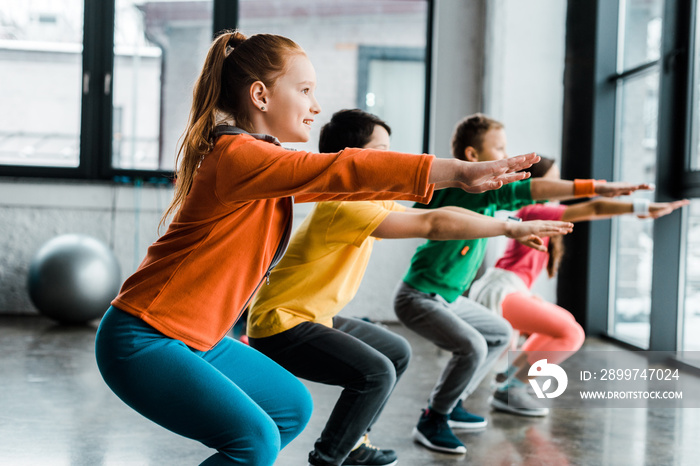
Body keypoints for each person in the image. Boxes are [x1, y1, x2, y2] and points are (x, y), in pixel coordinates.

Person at [93, 32, 543, 466]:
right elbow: (344, 170)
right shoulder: (238, 157)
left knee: (290, 408)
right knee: (254, 441)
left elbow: (341, 178)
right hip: (145, 335)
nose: (316, 105)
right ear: (260, 96)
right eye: (305, 89)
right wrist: (458, 174)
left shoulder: (262, 164)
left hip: (198, 339)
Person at [246, 109, 574, 466]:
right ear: (353, 158)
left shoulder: (368, 198)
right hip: (280, 324)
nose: (392, 159)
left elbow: (434, 213)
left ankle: (355, 443)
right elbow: (432, 223)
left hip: (314, 317)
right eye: (383, 150)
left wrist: (509, 222)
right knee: (375, 372)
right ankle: (329, 458)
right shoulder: (342, 204)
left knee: (397, 351)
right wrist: (510, 229)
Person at [392, 113, 652, 455]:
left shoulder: (483, 194)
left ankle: (452, 403)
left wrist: (601, 190)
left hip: (449, 296)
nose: (505, 154)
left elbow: (537, 190)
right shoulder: (469, 190)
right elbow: (535, 189)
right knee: (473, 346)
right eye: (499, 148)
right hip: (420, 295)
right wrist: (598, 187)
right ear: (472, 156)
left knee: (498, 334)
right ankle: (433, 418)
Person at [468, 156, 690, 416]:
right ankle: (512, 388)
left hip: (504, 286)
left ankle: (511, 374)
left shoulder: (530, 213)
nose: (560, 187)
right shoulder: (535, 210)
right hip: (502, 289)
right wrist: (641, 207)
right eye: (555, 182)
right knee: (571, 334)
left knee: (560, 326)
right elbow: (593, 209)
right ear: (538, 186)